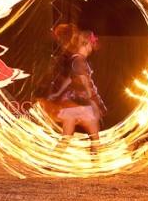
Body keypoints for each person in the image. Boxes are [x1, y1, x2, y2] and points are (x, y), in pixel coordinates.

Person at [46, 23, 107, 156]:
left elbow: (69, 79)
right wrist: (92, 100)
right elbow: (85, 81)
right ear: (86, 43)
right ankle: (97, 166)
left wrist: (57, 93)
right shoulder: (80, 61)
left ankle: (50, 162)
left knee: (66, 138)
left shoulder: (75, 60)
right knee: (95, 139)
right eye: (91, 44)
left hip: (70, 104)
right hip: (82, 103)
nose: (92, 47)